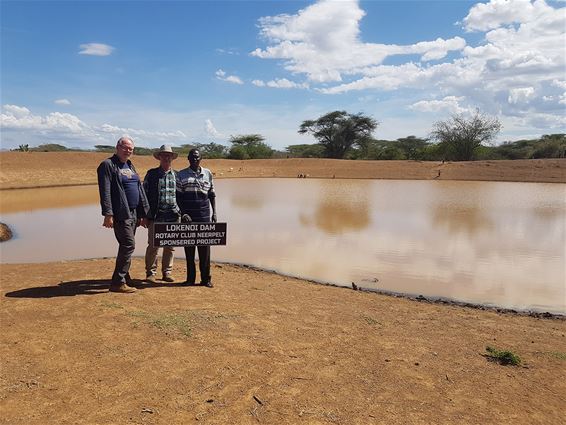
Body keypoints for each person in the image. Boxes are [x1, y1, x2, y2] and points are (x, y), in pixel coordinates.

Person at [97, 136, 149, 293]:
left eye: (131, 149)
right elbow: (105, 191)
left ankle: (125, 277)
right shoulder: (107, 165)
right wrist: (108, 214)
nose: (128, 151)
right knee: (128, 244)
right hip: (121, 213)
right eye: (125, 148)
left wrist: (141, 213)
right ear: (117, 147)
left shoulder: (129, 165)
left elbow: (137, 188)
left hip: (132, 213)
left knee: (126, 245)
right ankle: (117, 282)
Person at [176, 148, 217, 287]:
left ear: (201, 158)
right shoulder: (181, 174)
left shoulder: (208, 173)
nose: (195, 159)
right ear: (188, 158)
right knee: (189, 249)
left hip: (204, 216)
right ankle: (190, 279)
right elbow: (178, 198)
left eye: (197, 157)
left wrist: (214, 212)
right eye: (192, 157)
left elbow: (211, 194)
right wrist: (183, 214)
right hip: (188, 217)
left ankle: (206, 279)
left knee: (205, 250)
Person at [143, 144, 180, 283]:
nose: (166, 157)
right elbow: (144, 194)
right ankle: (150, 273)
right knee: (153, 245)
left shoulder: (177, 175)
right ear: (159, 157)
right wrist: (145, 215)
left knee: (170, 246)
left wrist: (181, 212)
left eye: (168, 155)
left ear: (172, 158)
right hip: (156, 215)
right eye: (163, 155)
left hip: (173, 215)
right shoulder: (151, 174)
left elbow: (180, 195)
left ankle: (167, 273)